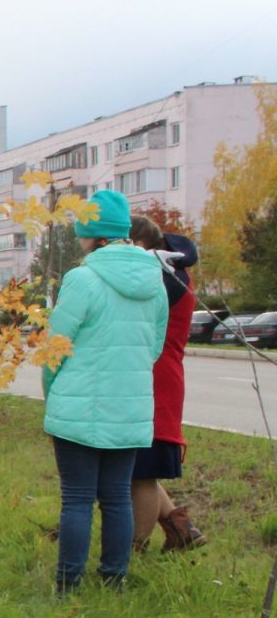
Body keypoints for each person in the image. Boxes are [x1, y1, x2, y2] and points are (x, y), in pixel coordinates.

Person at [40, 190, 167, 591]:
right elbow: (155, 348)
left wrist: (52, 392)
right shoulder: (155, 281)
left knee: (77, 498)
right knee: (116, 496)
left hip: (78, 406)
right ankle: (114, 577)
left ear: (92, 234)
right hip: (129, 407)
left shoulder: (83, 279)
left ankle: (68, 583)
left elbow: (55, 348)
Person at [128, 225, 205, 551]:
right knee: (138, 466)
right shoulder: (168, 271)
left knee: (141, 472)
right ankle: (182, 530)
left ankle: (132, 550)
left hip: (155, 380)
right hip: (155, 376)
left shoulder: (162, 276)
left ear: (139, 242)